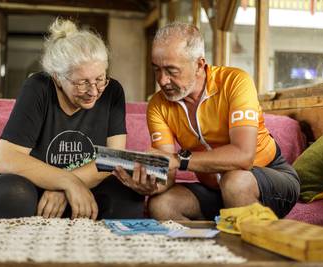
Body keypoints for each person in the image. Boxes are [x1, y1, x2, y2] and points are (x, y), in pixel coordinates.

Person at [113, 22, 300, 220]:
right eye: (157, 69)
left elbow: (243, 156)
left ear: (199, 65)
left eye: (171, 71)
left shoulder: (235, 81)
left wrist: (179, 160)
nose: (162, 80)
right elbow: (166, 170)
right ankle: (206, 251)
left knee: (235, 182)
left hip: (268, 175)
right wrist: (150, 185)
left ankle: (244, 250)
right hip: (216, 188)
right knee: (161, 205)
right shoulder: (158, 105)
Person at [0, 18, 144, 220]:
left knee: (128, 198)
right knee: (12, 195)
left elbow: (113, 159)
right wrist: (67, 182)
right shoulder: (38, 87)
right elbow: (7, 159)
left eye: (100, 79)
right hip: (30, 181)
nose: (93, 91)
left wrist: (68, 185)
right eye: (82, 82)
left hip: (86, 182)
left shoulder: (112, 91)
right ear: (57, 77)